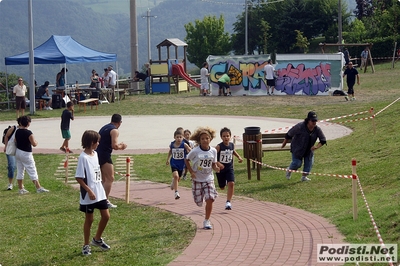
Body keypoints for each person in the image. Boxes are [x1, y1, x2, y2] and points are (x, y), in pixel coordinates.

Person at [75, 130, 111, 256]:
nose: (98, 144)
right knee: (89, 219)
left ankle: (97, 239)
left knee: (106, 216)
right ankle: (85, 245)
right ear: (91, 142)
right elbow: (79, 177)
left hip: (99, 192)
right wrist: (88, 190)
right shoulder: (83, 158)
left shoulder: (95, 154)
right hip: (88, 195)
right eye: (97, 141)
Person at [185, 127, 220, 230]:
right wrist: (191, 172)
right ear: (199, 140)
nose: (205, 140)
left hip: (208, 178)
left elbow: (213, 164)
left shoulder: (213, 151)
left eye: (207, 138)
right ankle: (199, 197)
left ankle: (207, 220)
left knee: (210, 198)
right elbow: (186, 160)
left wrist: (216, 168)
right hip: (197, 179)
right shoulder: (195, 151)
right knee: (199, 202)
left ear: (210, 139)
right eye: (203, 139)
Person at [282, 111, 327, 182]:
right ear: (308, 120)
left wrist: (316, 147)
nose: (314, 122)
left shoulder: (317, 129)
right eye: (312, 121)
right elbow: (289, 134)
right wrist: (284, 144)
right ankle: (289, 170)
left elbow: (323, 140)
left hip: (309, 150)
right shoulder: (300, 126)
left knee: (308, 166)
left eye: (315, 121)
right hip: (297, 149)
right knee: (297, 163)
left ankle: (304, 177)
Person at [96, 114, 127, 208]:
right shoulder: (114, 130)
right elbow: (115, 146)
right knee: (110, 178)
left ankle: (99, 198)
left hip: (97, 153)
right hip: (104, 155)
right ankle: (105, 200)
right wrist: (122, 146)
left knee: (103, 179)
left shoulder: (104, 127)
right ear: (120, 123)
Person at [14, 116, 49, 194]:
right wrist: (36, 142)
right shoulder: (29, 133)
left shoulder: (17, 131)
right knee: (32, 169)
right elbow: (34, 144)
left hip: (18, 151)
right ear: (28, 123)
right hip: (26, 153)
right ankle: (38, 187)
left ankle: (20, 188)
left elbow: (15, 140)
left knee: (20, 170)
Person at [215, 127, 243, 210]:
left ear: (230, 136)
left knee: (231, 183)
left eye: (227, 136)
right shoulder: (219, 146)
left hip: (229, 168)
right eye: (224, 136)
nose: (226, 138)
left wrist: (239, 157)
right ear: (221, 137)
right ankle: (221, 186)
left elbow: (232, 151)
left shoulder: (231, 145)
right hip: (220, 170)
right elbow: (213, 156)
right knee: (222, 187)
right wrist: (218, 163)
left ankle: (228, 202)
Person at [166, 130, 191, 200]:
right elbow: (170, 151)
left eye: (180, 137)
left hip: (181, 164)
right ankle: (176, 192)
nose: (179, 138)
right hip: (174, 163)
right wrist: (167, 159)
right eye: (177, 137)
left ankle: (173, 182)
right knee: (176, 176)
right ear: (174, 137)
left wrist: (193, 153)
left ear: (183, 138)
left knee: (178, 178)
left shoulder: (184, 145)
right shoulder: (172, 145)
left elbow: (190, 149)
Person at [3, 122, 18, 190]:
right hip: (11, 150)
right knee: (11, 166)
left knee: (19, 167)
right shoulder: (13, 128)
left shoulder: (25, 130)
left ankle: (20, 184)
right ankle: (10, 184)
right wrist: (6, 146)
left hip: (20, 150)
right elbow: (6, 136)